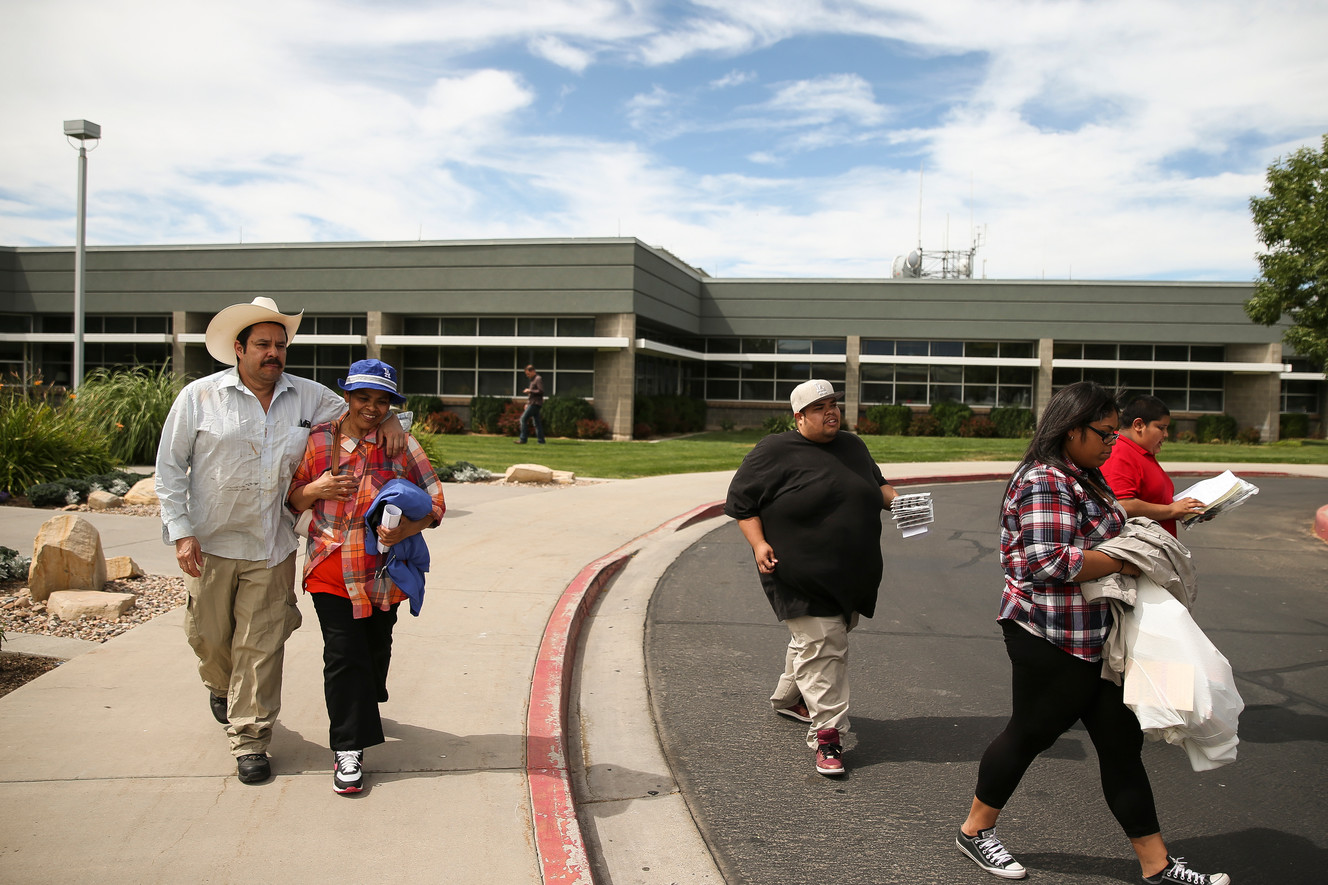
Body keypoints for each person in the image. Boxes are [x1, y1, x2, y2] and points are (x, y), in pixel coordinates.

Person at [954, 381, 1229, 885]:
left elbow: (1106, 530)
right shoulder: (1045, 479)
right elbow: (1050, 562)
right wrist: (1130, 556)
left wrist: (1137, 539)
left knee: (1120, 745)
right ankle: (975, 831)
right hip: (1047, 632)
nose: (1112, 442)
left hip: (1096, 634)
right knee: (1031, 733)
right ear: (1071, 428)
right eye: (1104, 432)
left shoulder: (1085, 475)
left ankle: (1157, 865)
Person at [155, 297, 406, 786]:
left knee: (262, 645)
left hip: (273, 545)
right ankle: (219, 685)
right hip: (211, 542)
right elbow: (169, 470)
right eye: (263, 344)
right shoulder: (199, 398)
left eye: (280, 345)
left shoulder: (310, 397)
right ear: (239, 348)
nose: (274, 353)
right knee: (208, 638)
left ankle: (250, 738)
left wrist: (393, 418)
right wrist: (182, 533)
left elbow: (365, 412)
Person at [725, 379, 899, 776]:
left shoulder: (853, 446)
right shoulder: (774, 450)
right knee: (824, 645)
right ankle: (828, 738)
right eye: (820, 407)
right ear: (799, 417)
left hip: (851, 574)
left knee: (820, 640)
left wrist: (900, 503)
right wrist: (758, 544)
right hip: (795, 572)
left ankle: (789, 699)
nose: (831, 412)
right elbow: (742, 503)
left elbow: (877, 485)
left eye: (834, 404)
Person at [288, 359, 446, 794]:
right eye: (363, 398)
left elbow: (436, 505)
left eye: (382, 401)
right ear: (348, 397)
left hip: (380, 574)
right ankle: (348, 751)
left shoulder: (401, 446)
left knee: (375, 652)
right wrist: (314, 490)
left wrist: (405, 530)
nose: (371, 408)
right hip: (330, 567)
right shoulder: (319, 442)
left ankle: (368, 694)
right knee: (344, 657)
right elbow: (293, 498)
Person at [1102, 394, 1205, 536]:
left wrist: (1187, 510)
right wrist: (1172, 510)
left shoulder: (1141, 452)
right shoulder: (1119, 451)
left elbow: (1154, 501)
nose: (1166, 434)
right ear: (1138, 425)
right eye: (1161, 428)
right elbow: (1122, 504)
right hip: (1138, 550)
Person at [517, 364, 545, 444]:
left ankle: (523, 439)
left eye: (528, 374)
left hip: (535, 404)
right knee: (537, 422)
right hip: (532, 403)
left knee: (523, 419)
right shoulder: (533, 380)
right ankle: (541, 440)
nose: (527, 376)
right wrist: (527, 403)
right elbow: (532, 395)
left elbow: (541, 391)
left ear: (532, 371)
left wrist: (530, 391)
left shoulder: (538, 379)